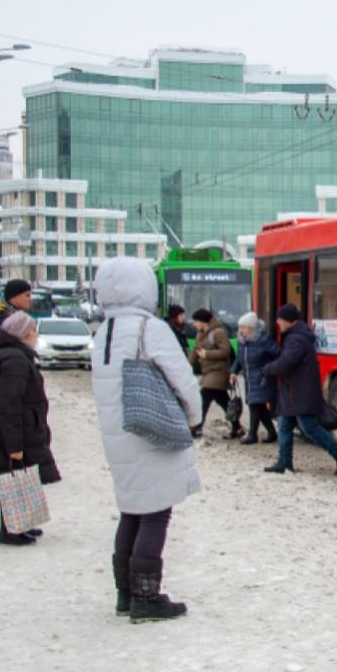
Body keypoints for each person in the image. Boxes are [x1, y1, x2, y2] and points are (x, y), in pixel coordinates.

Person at [91, 257, 202, 623]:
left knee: (132, 512)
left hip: (119, 433)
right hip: (150, 431)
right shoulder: (149, 328)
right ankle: (146, 596)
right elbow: (181, 377)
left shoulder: (103, 331)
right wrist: (193, 416)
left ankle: (125, 592)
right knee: (156, 513)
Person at [0, 311, 62, 546]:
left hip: (19, 428)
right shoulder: (13, 359)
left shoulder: (8, 355)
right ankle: (10, 530)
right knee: (13, 478)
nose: (36, 334)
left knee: (18, 477)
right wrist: (14, 445)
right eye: (33, 330)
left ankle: (20, 524)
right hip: (17, 431)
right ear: (23, 333)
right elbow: (9, 404)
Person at [261, 303, 337, 475]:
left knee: (310, 427)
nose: (278, 323)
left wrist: (268, 369)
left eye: (280, 319)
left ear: (289, 320)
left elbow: (287, 362)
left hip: (300, 392)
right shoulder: (295, 335)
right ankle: (284, 462)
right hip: (294, 392)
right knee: (284, 425)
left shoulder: (296, 339)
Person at [189, 308, 242, 439]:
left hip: (219, 372)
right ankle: (237, 427)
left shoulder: (218, 332)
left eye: (195, 321)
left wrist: (207, 354)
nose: (193, 324)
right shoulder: (200, 333)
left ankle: (197, 427)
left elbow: (226, 351)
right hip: (209, 372)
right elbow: (195, 352)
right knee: (223, 401)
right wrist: (186, 366)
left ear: (202, 321)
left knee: (204, 398)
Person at [230, 311, 279, 446]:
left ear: (251, 327)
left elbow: (277, 354)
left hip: (262, 378)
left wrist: (268, 369)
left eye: (243, 327)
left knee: (255, 406)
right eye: (240, 327)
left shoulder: (263, 339)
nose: (241, 330)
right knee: (260, 407)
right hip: (249, 378)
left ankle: (252, 435)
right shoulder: (242, 341)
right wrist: (234, 371)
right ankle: (272, 433)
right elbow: (239, 358)